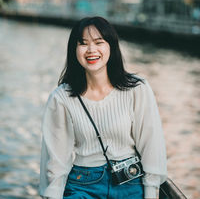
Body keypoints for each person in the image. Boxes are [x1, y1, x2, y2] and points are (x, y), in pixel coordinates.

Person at [39, 16, 167, 199]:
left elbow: (151, 145)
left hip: (130, 182)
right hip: (83, 184)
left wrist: (152, 191)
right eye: (83, 43)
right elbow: (56, 159)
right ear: (74, 49)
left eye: (99, 42)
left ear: (111, 46)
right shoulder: (61, 98)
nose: (91, 50)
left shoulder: (137, 89)